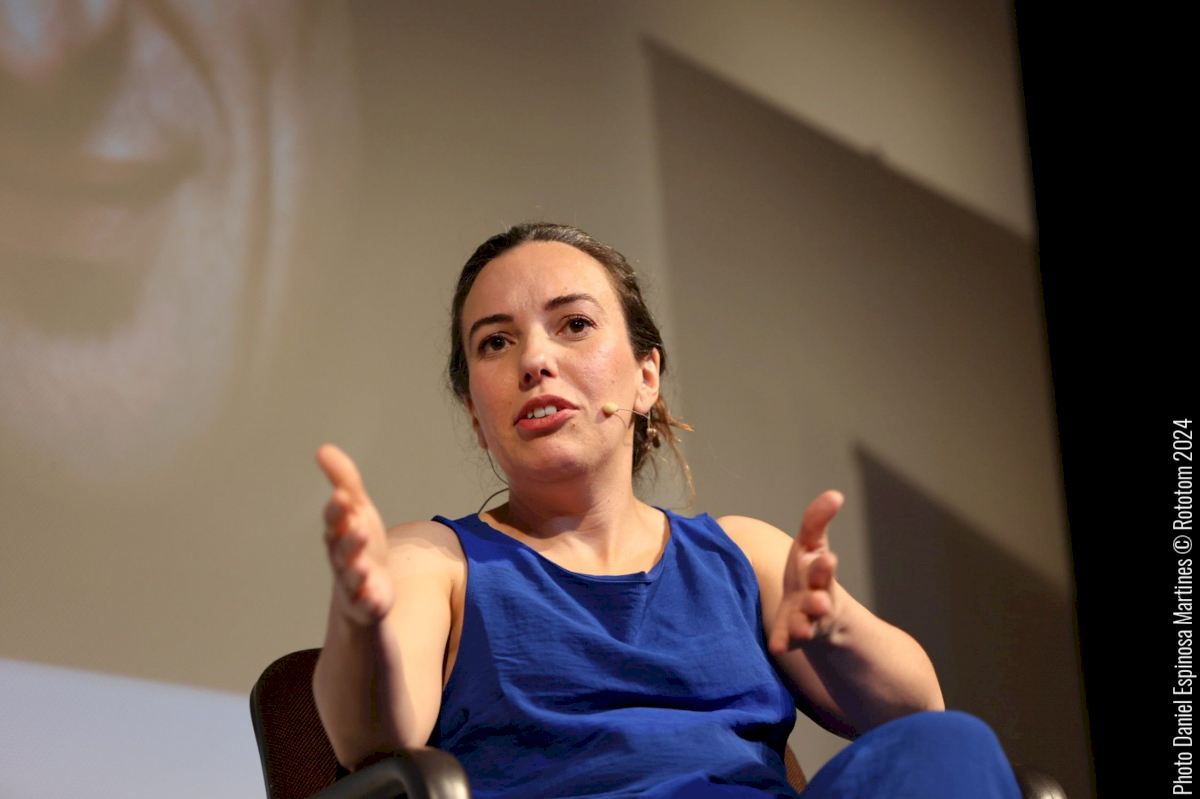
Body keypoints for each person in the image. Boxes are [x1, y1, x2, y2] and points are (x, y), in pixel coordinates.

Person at [312, 222, 1023, 798]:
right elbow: (370, 740)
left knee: (954, 745)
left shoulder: (743, 553)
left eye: (573, 324)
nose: (534, 360)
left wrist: (832, 624)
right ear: (476, 414)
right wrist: (360, 620)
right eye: (495, 342)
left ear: (646, 376)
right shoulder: (432, 561)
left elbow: (918, 714)